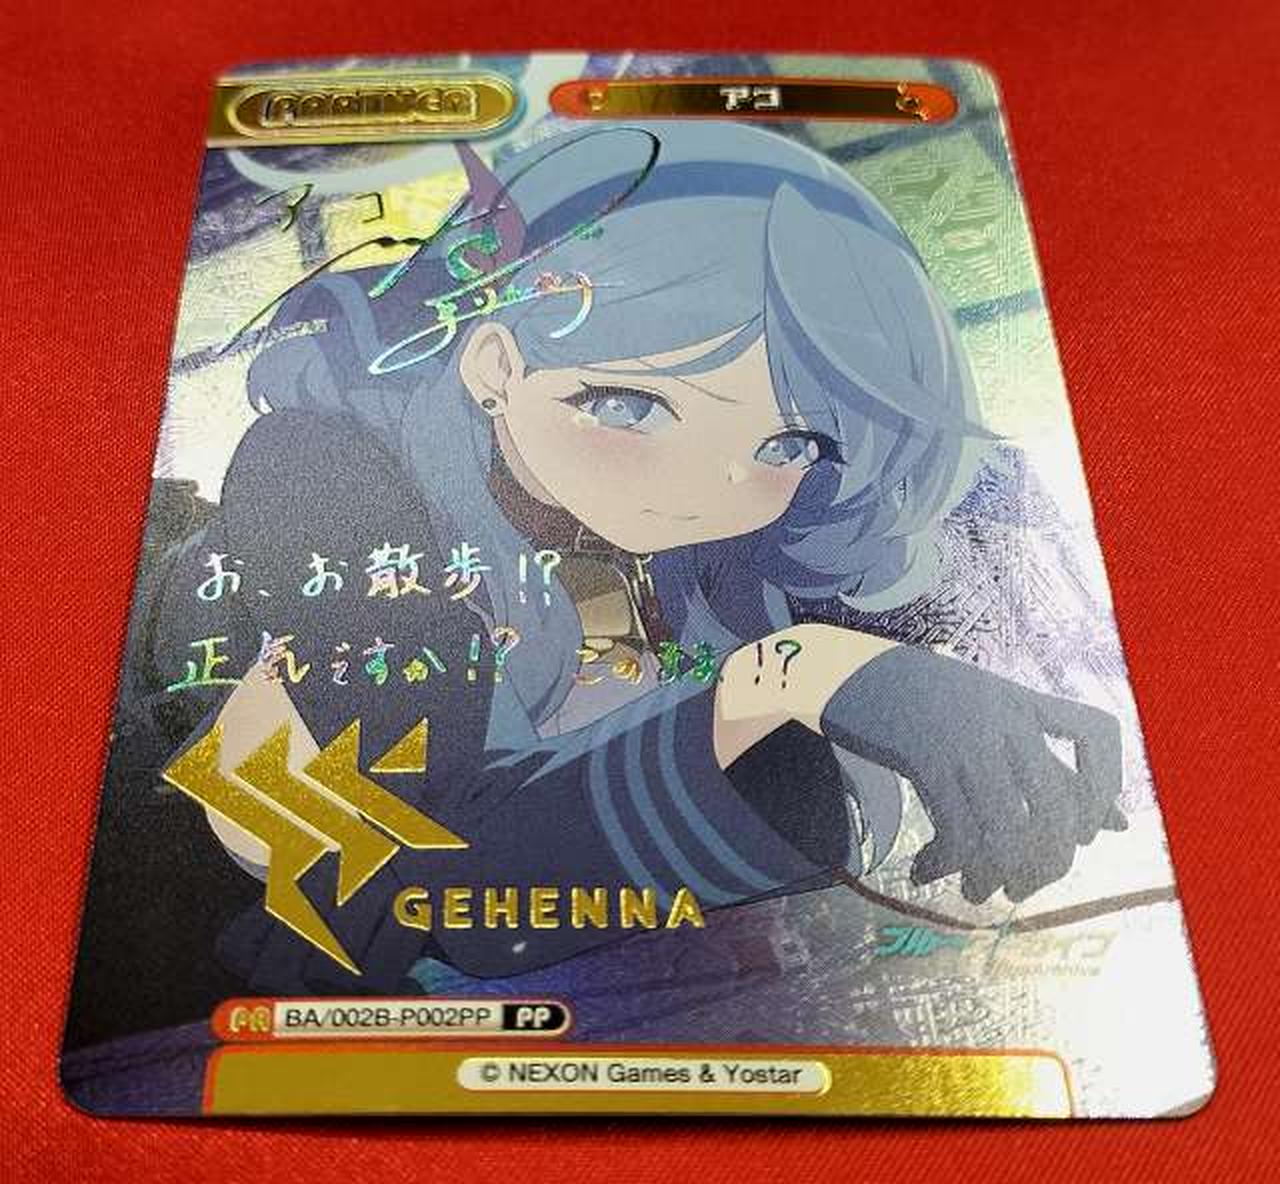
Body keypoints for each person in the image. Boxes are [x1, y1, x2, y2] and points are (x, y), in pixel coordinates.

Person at [150, 121, 1123, 994]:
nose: (701, 486)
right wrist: (801, 674)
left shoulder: (707, 532)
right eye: (626, 404)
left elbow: (802, 787)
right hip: (154, 864)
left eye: (785, 441)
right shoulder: (323, 479)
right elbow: (441, 884)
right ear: (495, 365)